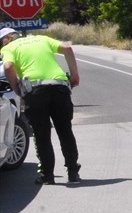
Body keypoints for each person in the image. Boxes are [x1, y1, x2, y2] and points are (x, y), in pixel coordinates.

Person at [0, 28, 81, 184]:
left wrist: (16, 88)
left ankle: (47, 176)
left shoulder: (8, 48)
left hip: (35, 91)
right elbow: (67, 48)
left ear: (5, 39)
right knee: (65, 131)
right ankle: (73, 173)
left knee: (42, 134)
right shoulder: (41, 38)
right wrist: (74, 74)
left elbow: (8, 67)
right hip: (59, 87)